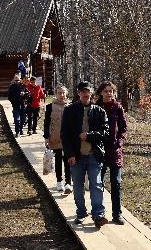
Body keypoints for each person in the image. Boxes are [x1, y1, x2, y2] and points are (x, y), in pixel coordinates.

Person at [61, 80, 109, 228]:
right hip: (76, 155)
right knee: (78, 187)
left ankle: (98, 215)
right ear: (78, 93)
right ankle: (81, 213)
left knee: (96, 184)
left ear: (92, 93)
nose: (85, 94)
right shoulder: (69, 110)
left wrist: (89, 135)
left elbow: (105, 133)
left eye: (87, 91)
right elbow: (65, 134)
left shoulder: (100, 111)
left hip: (94, 155)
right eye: (82, 91)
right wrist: (70, 154)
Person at [96, 81, 128, 225]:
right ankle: (100, 213)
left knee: (116, 182)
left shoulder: (117, 107)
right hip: (99, 150)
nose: (109, 93)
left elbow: (123, 128)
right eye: (106, 91)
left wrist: (119, 142)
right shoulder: (95, 107)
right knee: (98, 182)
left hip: (115, 150)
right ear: (101, 92)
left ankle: (117, 214)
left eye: (111, 91)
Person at [44, 85, 72, 194]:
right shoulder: (50, 107)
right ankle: (59, 181)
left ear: (66, 94)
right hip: (55, 138)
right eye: (59, 93)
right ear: (56, 94)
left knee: (68, 160)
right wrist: (46, 136)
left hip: (68, 139)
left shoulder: (70, 106)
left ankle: (68, 183)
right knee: (58, 159)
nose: (62, 95)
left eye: (63, 93)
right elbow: (46, 123)